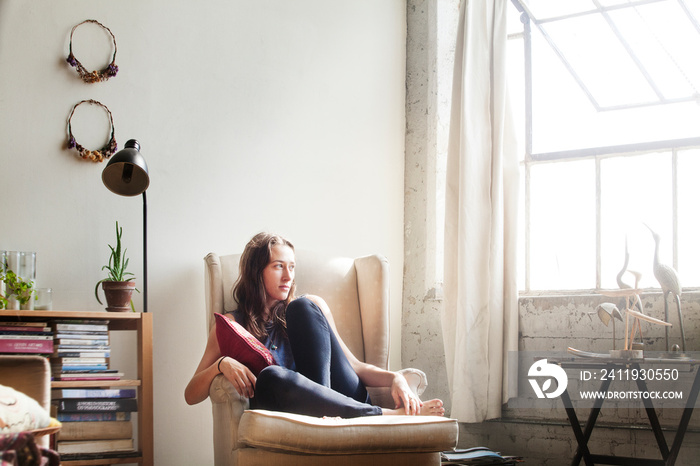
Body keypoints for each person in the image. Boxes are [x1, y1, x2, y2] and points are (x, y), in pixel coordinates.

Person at [185, 232, 445, 418]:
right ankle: (383, 416)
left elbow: (353, 366)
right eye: (278, 266)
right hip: (292, 408)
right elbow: (191, 394)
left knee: (303, 305)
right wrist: (221, 364)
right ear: (256, 272)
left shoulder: (306, 310)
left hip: (336, 403)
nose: (288, 276)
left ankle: (335, 418)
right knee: (271, 377)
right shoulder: (232, 325)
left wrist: (395, 378)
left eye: (292, 267)